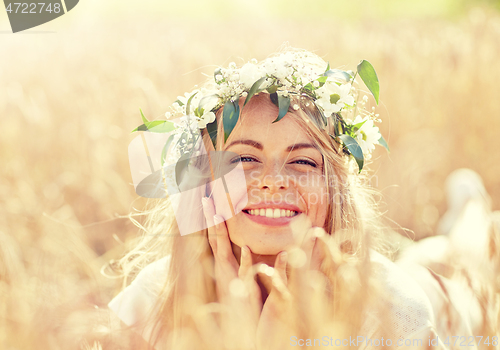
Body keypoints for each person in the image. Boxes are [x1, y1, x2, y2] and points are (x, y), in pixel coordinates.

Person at [109, 49, 446, 350]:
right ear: (204, 183)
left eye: (303, 161)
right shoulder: (154, 299)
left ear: (335, 187)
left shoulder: (392, 316)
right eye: (243, 159)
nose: (273, 181)